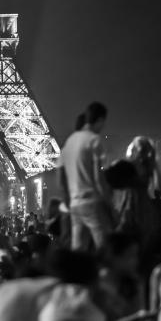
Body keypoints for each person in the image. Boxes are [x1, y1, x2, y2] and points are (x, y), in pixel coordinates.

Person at [59, 102, 113, 251]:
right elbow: (98, 178)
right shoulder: (94, 140)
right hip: (91, 201)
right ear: (100, 120)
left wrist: (68, 201)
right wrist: (109, 203)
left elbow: (60, 178)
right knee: (106, 247)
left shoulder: (69, 141)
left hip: (75, 205)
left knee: (78, 251)